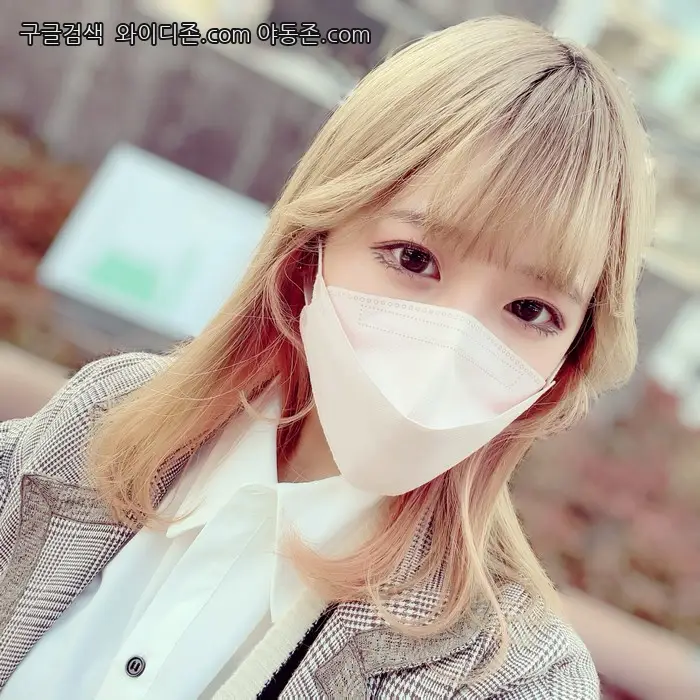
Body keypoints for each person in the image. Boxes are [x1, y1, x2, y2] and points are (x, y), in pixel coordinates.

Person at [0, 16, 654, 700]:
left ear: (566, 367)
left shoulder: (515, 678)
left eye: (530, 311)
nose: (448, 347)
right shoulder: (103, 420)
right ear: (313, 245)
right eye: (414, 258)